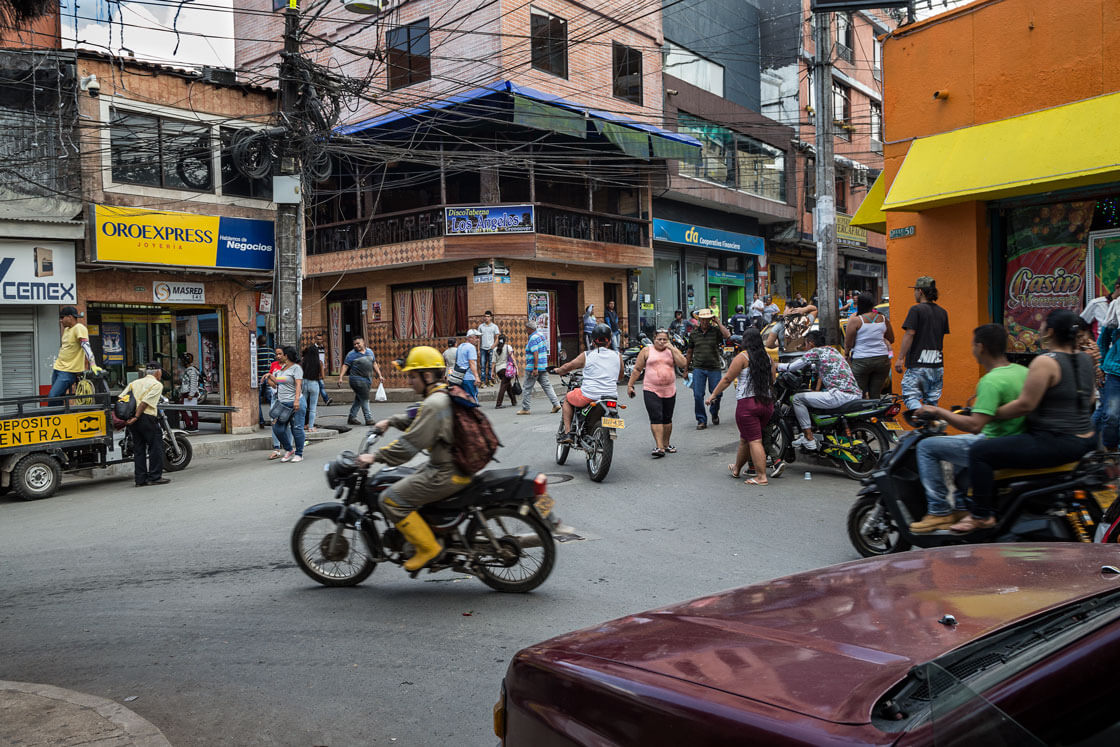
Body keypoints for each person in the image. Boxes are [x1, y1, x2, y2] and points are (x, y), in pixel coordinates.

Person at [955, 309, 1097, 533]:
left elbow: (1025, 405)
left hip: (1056, 441)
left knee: (979, 452)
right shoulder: (1085, 360)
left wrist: (991, 413)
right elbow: (1089, 400)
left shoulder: (1046, 362)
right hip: (1087, 439)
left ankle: (981, 515)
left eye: (1042, 326)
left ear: (1049, 331)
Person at [356, 346, 470, 572]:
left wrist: (375, 457)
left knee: (390, 499)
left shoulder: (434, 403)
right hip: (452, 466)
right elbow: (416, 417)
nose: (409, 381)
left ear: (427, 376)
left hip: (446, 472)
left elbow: (409, 445)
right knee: (405, 481)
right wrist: (390, 422)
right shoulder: (441, 395)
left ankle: (429, 549)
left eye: (411, 376)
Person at [908, 324, 1029, 533]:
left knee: (927, 447)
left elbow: (975, 426)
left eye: (973, 345)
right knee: (953, 448)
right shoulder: (1023, 371)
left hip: (992, 441)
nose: (972, 349)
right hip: (1015, 439)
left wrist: (938, 412)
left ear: (980, 347)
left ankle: (939, 511)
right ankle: (963, 506)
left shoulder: (991, 380)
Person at [706, 328, 778, 485]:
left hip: (748, 405)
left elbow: (727, 379)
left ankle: (761, 476)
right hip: (766, 404)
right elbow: (773, 379)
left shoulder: (742, 357)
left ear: (745, 341)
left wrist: (713, 395)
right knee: (746, 439)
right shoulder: (767, 357)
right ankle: (737, 468)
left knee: (754, 441)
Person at [777, 330, 862, 451]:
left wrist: (776, 366)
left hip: (839, 396)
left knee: (797, 399)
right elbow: (817, 366)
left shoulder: (815, 352)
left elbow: (792, 367)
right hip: (854, 395)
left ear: (811, 343)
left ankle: (809, 437)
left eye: (805, 344)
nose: (805, 348)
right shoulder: (832, 351)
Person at [555, 324, 622, 443]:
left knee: (567, 399)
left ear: (593, 341)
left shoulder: (587, 355)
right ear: (610, 341)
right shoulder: (618, 356)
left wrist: (558, 370)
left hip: (589, 395)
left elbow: (568, 366)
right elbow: (620, 376)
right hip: (611, 397)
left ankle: (568, 433)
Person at [627, 328, 686, 457]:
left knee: (667, 418)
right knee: (656, 417)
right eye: (659, 339)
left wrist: (672, 348)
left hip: (669, 389)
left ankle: (666, 444)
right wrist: (630, 385)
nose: (662, 342)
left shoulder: (671, 351)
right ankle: (659, 447)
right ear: (654, 339)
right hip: (651, 389)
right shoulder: (647, 351)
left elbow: (683, 364)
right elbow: (637, 369)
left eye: (665, 339)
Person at [896, 276, 950, 410]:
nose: (914, 293)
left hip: (918, 365)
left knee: (910, 397)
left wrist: (900, 358)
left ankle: (922, 420)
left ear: (920, 291)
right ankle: (931, 428)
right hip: (937, 366)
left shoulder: (916, 310)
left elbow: (910, 333)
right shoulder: (943, 312)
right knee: (931, 404)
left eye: (915, 290)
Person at [120, 361, 169, 487]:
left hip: (132, 420)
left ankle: (140, 479)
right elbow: (145, 403)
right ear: (158, 372)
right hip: (146, 418)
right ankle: (155, 477)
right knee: (155, 446)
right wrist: (136, 416)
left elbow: (122, 398)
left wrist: (128, 418)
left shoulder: (134, 383)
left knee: (139, 449)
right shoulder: (156, 384)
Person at [685, 308, 730, 430]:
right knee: (697, 395)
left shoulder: (715, 331)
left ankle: (714, 412)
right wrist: (685, 370)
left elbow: (727, 335)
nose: (705, 322)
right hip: (698, 368)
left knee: (717, 394)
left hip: (714, 368)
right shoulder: (694, 333)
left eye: (707, 320)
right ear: (699, 320)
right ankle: (701, 420)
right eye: (702, 320)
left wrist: (718, 322)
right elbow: (689, 352)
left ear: (711, 320)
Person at [844, 292, 895, 398]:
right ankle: (876, 413)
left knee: (859, 394)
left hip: (861, 360)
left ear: (860, 304)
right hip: (882, 360)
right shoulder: (883, 319)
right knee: (875, 393)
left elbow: (848, 343)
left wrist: (846, 355)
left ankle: (863, 413)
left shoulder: (856, 320)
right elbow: (891, 339)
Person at [48, 306, 102, 404]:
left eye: (62, 318)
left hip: (68, 371)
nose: (60, 321)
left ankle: (54, 417)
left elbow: (86, 347)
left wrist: (93, 364)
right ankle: (60, 417)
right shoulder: (67, 330)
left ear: (70, 317)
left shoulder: (79, 328)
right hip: (58, 368)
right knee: (58, 397)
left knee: (53, 396)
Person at [267, 345, 305, 463]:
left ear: (286, 356)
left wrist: (297, 400)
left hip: (295, 403)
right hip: (283, 404)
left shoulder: (296, 368)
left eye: (279, 354)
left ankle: (299, 453)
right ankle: (289, 450)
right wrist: (269, 376)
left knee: (297, 428)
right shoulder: (282, 368)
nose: (277, 356)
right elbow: (279, 382)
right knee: (278, 429)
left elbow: (298, 384)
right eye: (276, 354)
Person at [517, 319, 562, 415]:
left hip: (533, 367)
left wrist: (535, 368)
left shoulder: (532, 338)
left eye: (526, 328)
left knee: (527, 388)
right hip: (543, 366)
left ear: (529, 328)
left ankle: (525, 408)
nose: (526, 330)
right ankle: (556, 404)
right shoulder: (541, 336)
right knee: (547, 386)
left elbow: (535, 353)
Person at [338, 337, 383, 426]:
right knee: (365, 398)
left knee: (359, 399)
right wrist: (340, 377)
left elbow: (374, 363)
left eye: (358, 343)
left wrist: (379, 375)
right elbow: (345, 366)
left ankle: (352, 417)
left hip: (368, 379)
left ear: (363, 342)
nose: (356, 345)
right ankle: (368, 418)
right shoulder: (351, 354)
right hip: (356, 379)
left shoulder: (370, 352)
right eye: (354, 344)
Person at [300, 345, 323, 432]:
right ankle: (310, 427)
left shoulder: (304, 361)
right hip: (314, 383)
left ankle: (301, 425)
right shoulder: (319, 362)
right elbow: (323, 376)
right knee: (313, 407)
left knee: (303, 406)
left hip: (305, 383)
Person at [454, 329, 481, 400]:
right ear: (470, 338)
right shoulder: (471, 347)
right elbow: (472, 363)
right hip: (469, 378)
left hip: (460, 378)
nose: (478, 340)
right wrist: (477, 377)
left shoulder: (460, 347)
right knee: (472, 400)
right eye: (476, 337)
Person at [493, 334, 518, 409]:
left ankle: (514, 401)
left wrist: (492, 372)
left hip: (498, 371)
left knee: (508, 385)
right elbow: (512, 358)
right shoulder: (508, 347)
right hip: (507, 370)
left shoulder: (495, 349)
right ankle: (498, 404)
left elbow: (493, 362)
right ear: (505, 340)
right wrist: (516, 367)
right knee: (504, 386)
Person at [178, 353, 200, 433]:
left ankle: (194, 426)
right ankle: (189, 425)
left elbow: (193, 383)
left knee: (193, 410)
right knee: (183, 409)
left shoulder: (191, 371)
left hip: (189, 394)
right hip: (186, 393)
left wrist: (191, 394)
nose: (181, 362)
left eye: (182, 361)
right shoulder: (188, 371)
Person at [478, 311, 500, 387]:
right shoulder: (481, 326)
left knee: (491, 365)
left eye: (487, 316)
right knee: (483, 366)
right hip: (482, 348)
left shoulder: (494, 326)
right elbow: (479, 339)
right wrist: (478, 349)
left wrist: (493, 346)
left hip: (491, 349)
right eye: (485, 316)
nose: (486, 318)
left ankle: (490, 380)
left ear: (491, 317)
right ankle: (483, 381)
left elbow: (497, 338)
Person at [256, 335, 274, 428]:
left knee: (257, 401)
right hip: (268, 378)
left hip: (258, 379)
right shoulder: (271, 351)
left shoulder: (256, 352)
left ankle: (261, 421)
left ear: (258, 342)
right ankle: (273, 419)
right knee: (271, 400)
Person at [312, 332, 332, 405]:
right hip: (316, 369)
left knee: (319, 386)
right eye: (318, 339)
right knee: (321, 385)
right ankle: (326, 399)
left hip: (321, 368)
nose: (319, 340)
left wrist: (325, 364)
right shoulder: (313, 348)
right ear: (315, 340)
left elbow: (323, 357)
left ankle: (319, 400)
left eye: (321, 339)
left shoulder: (323, 347)